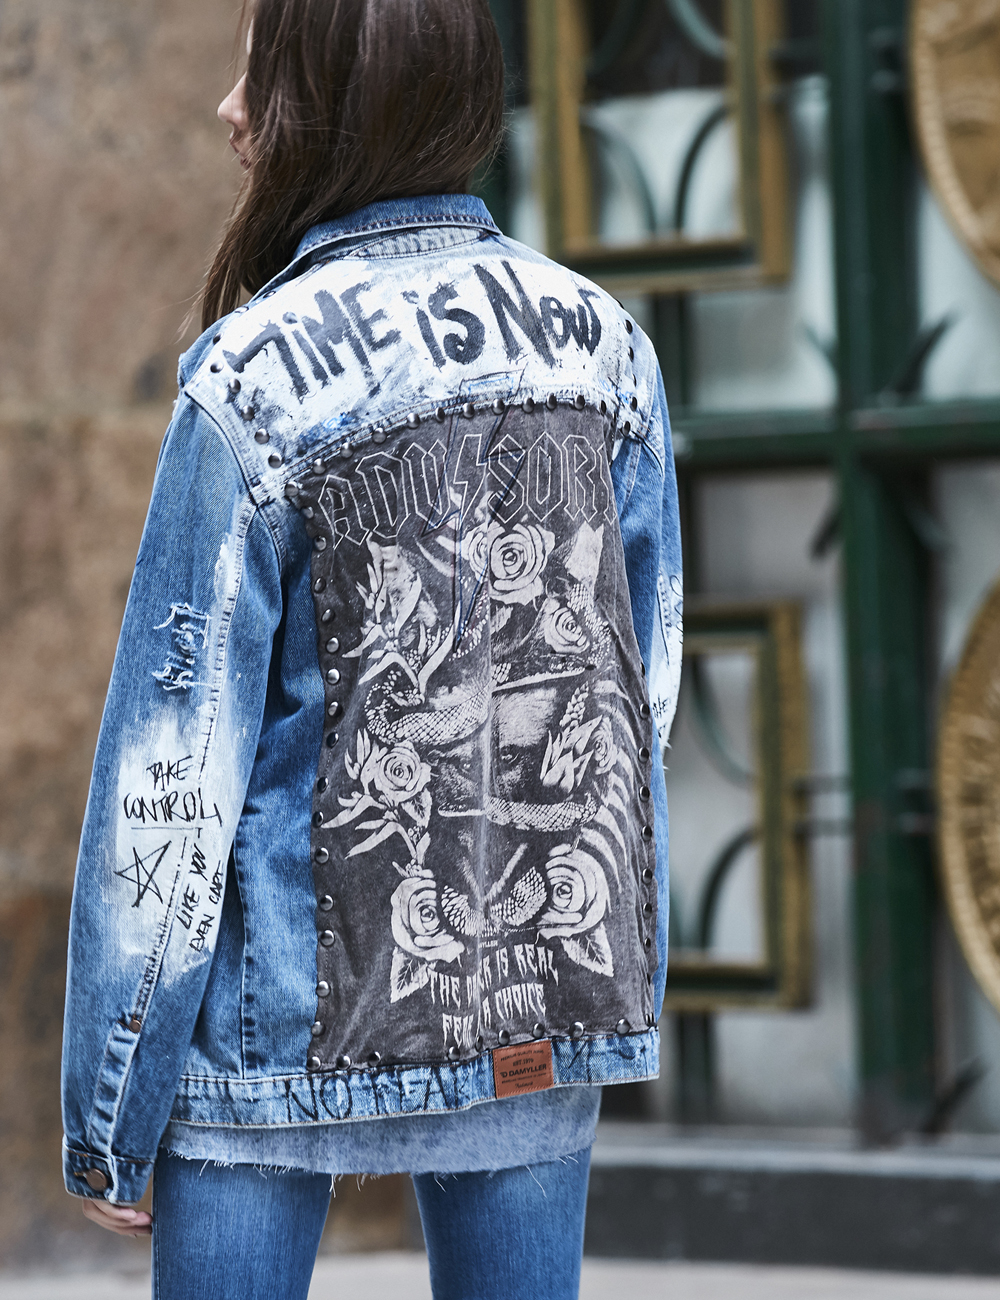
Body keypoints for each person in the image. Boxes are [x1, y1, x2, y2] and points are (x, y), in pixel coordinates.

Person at [60, 1, 682, 1296]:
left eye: (256, 69)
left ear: (326, 92)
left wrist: (113, 1102)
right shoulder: (605, 349)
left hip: (276, 1028)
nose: (230, 107)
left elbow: (172, 775)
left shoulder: (249, 379)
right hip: (535, 1002)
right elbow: (642, 694)